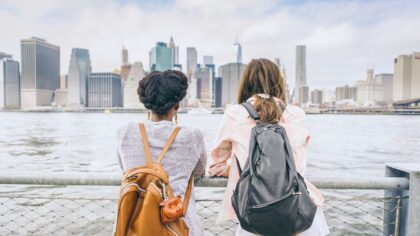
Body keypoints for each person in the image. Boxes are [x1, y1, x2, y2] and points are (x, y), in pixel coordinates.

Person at [209, 59, 329, 235]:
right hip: (301, 213)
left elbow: (215, 167)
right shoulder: (297, 114)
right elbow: (298, 163)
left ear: (246, 83)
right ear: (279, 82)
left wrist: (246, 170)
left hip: (256, 215)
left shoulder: (234, 114)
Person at [116, 70, 207, 236]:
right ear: (177, 105)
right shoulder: (192, 135)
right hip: (180, 226)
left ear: (147, 103)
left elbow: (125, 169)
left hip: (135, 227)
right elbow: (200, 171)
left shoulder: (125, 131)